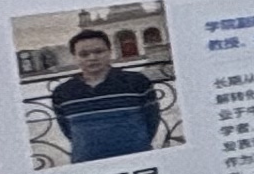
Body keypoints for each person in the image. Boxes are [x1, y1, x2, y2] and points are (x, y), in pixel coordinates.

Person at [46, 26, 166, 162]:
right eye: (84, 54)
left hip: (138, 159)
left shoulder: (137, 82)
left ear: (110, 52)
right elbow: (68, 130)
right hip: (87, 163)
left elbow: (152, 120)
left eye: (99, 51)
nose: (92, 58)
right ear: (75, 57)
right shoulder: (63, 92)